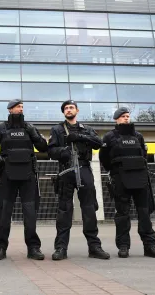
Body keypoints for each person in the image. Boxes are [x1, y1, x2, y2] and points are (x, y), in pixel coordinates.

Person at [47, 100, 109, 260]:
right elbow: (51, 151)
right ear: (63, 112)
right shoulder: (57, 129)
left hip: (84, 168)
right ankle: (61, 248)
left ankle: (94, 247)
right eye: (66, 108)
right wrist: (64, 151)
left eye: (71, 107)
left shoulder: (86, 129)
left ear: (77, 110)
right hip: (66, 169)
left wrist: (81, 136)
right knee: (64, 211)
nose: (69, 110)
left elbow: (99, 143)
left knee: (89, 209)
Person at [99, 107, 155, 259]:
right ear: (116, 119)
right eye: (123, 116)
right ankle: (123, 246)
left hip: (140, 178)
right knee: (122, 214)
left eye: (128, 116)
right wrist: (115, 171)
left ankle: (150, 246)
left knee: (144, 214)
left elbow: (143, 155)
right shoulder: (109, 137)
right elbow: (104, 158)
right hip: (120, 178)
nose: (126, 119)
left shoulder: (138, 136)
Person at [0, 99, 48, 261]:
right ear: (10, 110)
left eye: (22, 107)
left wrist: (34, 133)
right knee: (4, 214)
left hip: (27, 175)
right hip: (8, 175)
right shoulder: (1, 128)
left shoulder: (29, 127)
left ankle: (33, 248)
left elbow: (43, 148)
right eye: (17, 107)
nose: (20, 109)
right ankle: (0, 248)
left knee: (30, 213)